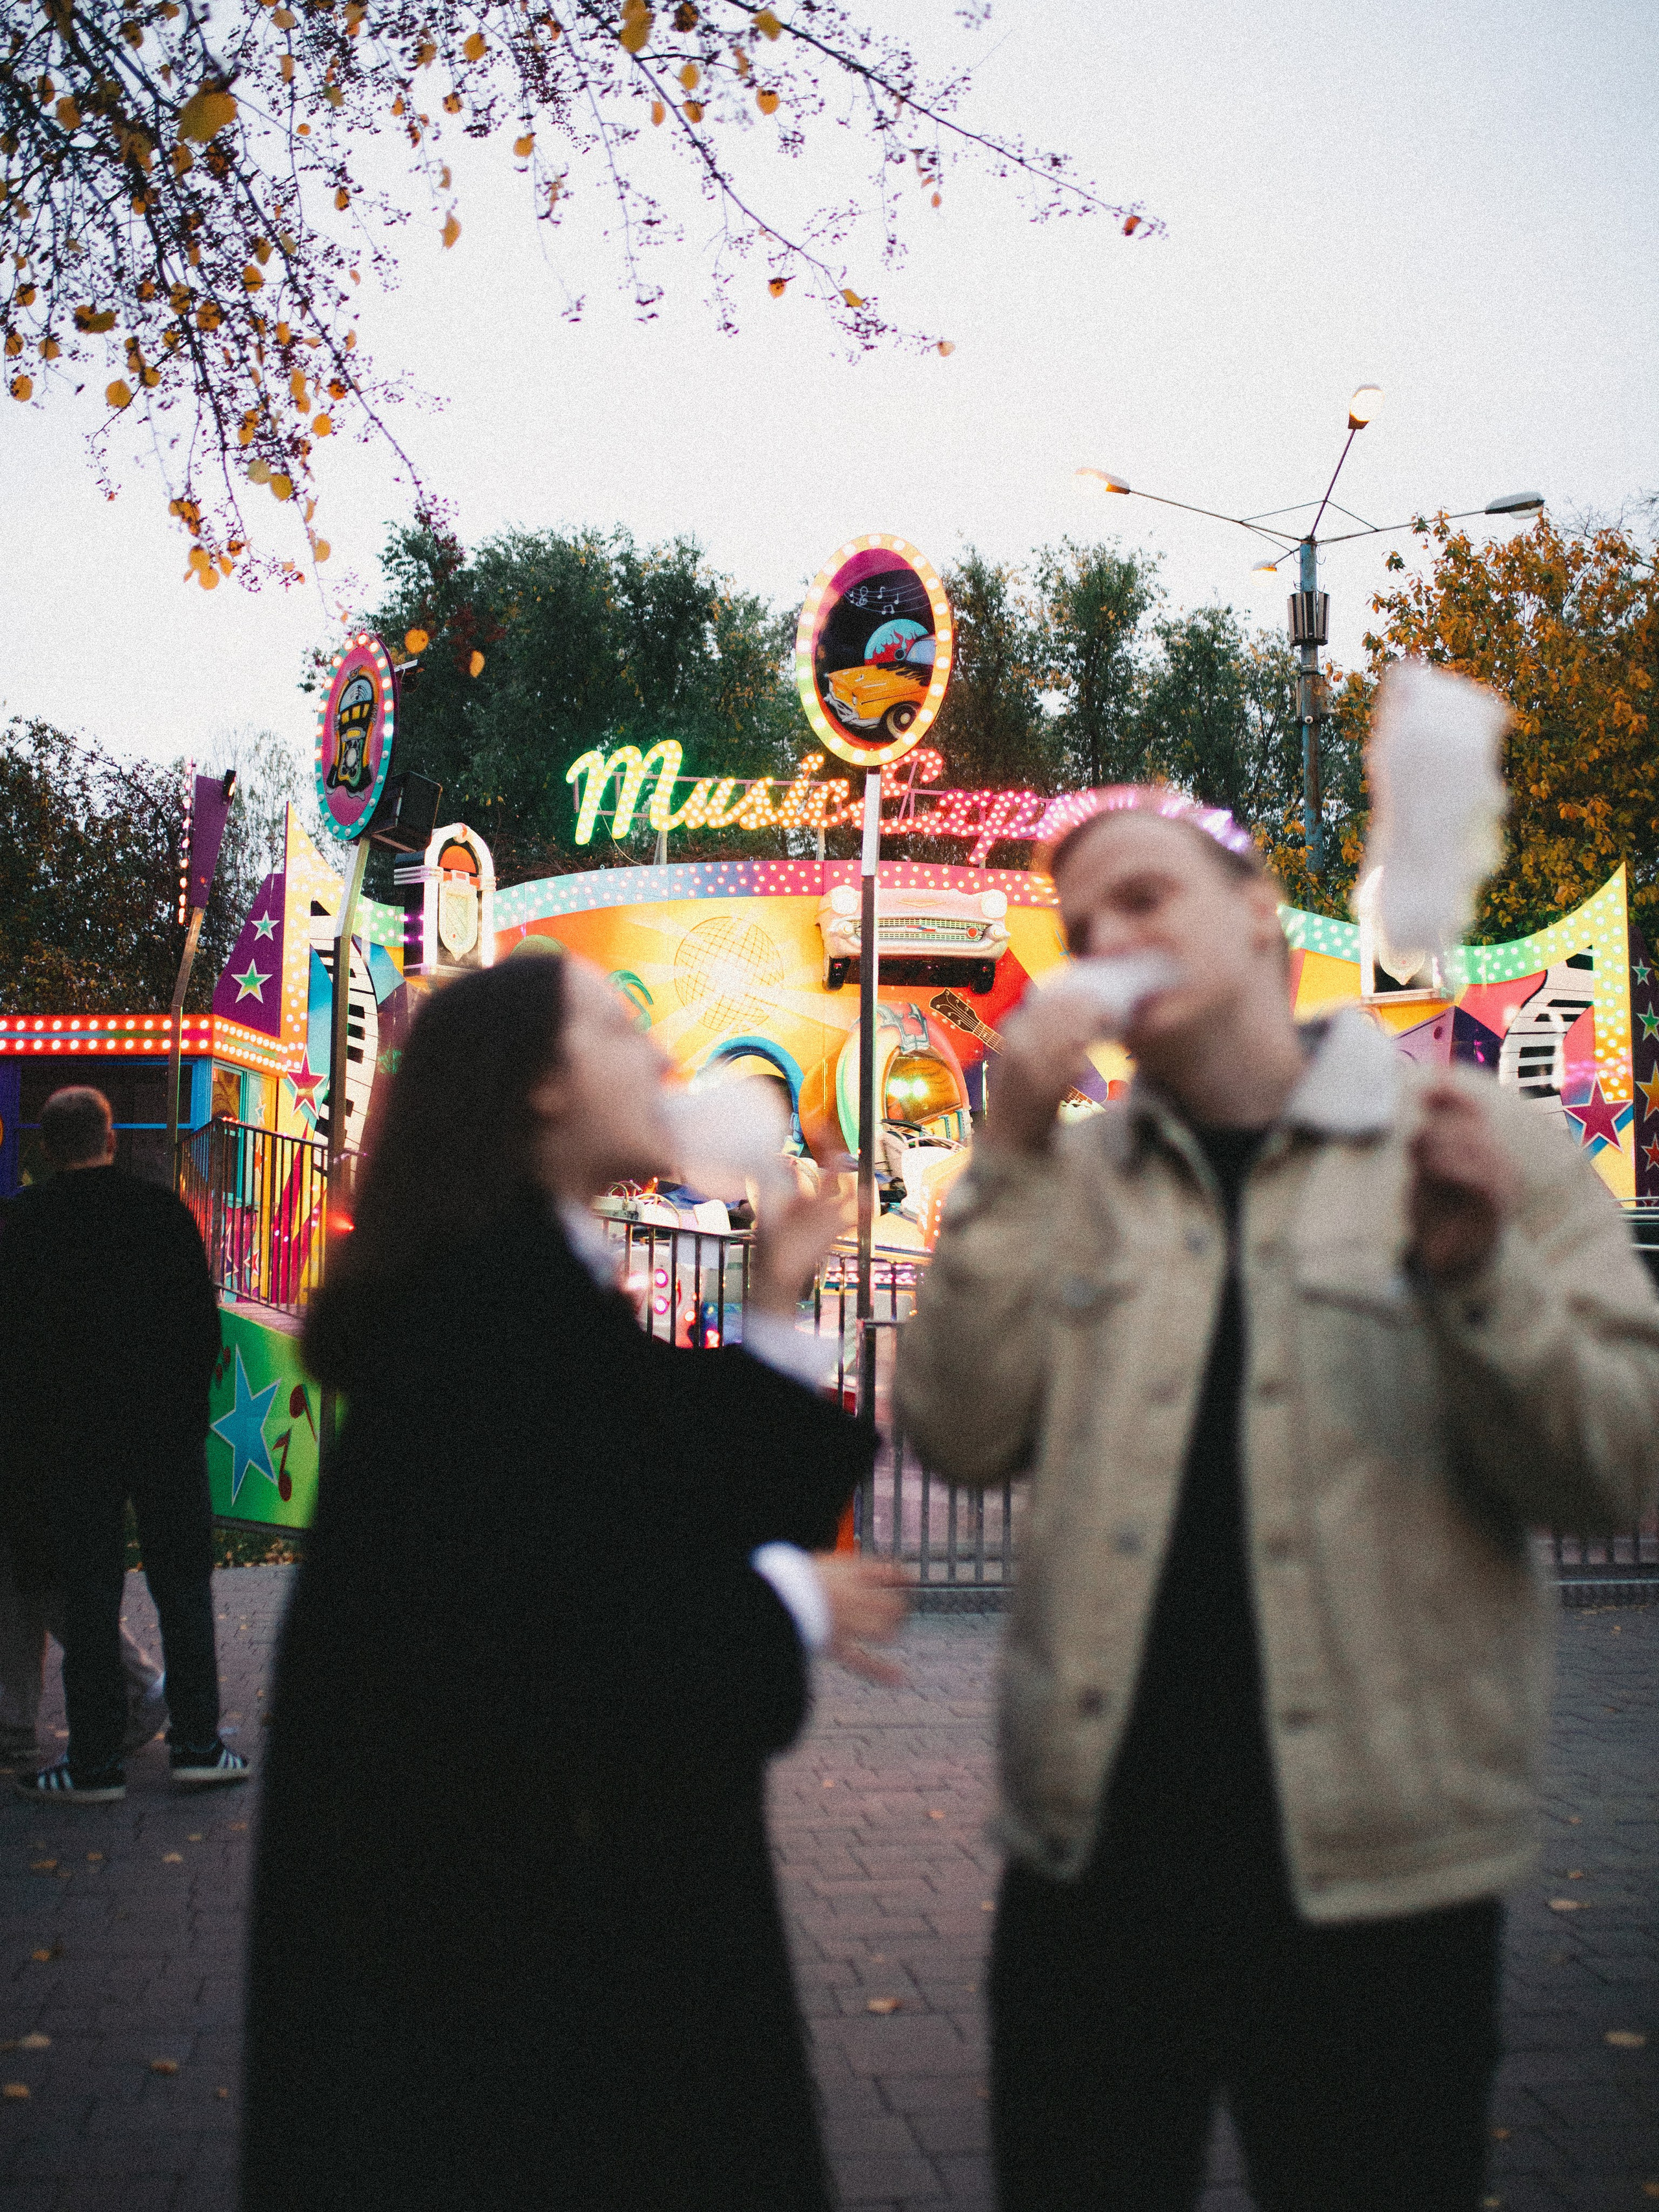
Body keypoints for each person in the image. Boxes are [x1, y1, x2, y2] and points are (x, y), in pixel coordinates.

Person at [896, 787, 1659, 2212]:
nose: (1104, 939)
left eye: (1143, 897)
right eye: (1079, 923)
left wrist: (1476, 1273)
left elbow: (1615, 1461)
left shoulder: (1477, 1139)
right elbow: (953, 1432)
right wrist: (1000, 1142)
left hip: (1380, 1881)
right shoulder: (1061, 1176)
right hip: (1091, 1878)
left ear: (1258, 913)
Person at [241, 953, 904, 2212]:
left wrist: (770, 1299)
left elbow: (651, 1487)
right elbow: (593, 1657)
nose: (660, 1059)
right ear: (539, 1085)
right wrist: (796, 1605)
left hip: (494, 1964)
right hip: (516, 1998)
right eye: (616, 1024)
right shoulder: (492, 1315)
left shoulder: (510, 1289)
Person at [0, 1086, 246, 1801]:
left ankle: (96, 1761)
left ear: (47, 1148)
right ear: (110, 1137)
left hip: (71, 1441)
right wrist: (185, 1410)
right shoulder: (161, 1213)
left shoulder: (24, 1226)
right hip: (162, 1433)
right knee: (183, 1591)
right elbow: (202, 1326)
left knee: (89, 1594)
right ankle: (199, 1744)